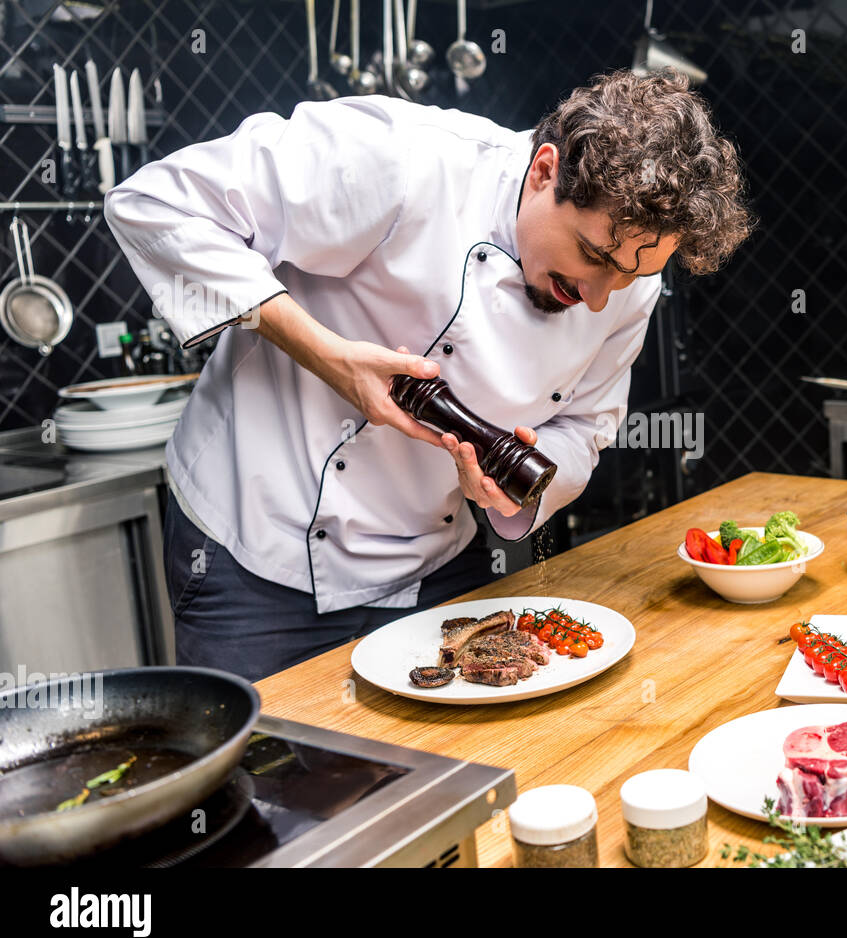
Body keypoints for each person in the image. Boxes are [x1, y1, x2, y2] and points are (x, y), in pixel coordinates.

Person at [104, 70, 753, 682]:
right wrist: (329, 355)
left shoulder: (625, 283)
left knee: (439, 782)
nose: (600, 296)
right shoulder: (404, 159)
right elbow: (158, 207)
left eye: (631, 275)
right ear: (544, 171)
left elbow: (585, 425)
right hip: (253, 550)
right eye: (592, 255)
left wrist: (519, 490)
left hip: (436, 561)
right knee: (262, 784)